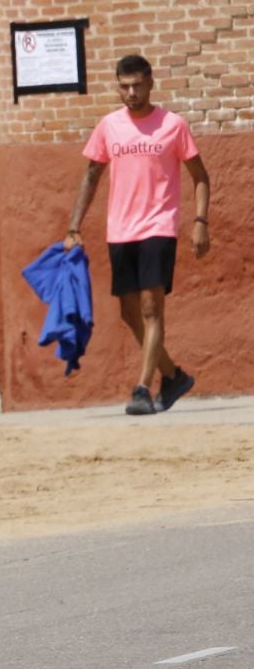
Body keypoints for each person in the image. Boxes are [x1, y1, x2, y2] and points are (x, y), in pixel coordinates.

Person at [64, 54, 213, 416]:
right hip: (120, 230)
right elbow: (91, 176)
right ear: (118, 87)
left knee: (150, 308)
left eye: (137, 85)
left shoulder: (172, 125)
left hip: (159, 226)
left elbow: (201, 176)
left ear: (150, 83)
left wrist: (199, 221)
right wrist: (73, 227)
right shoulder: (109, 126)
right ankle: (173, 376)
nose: (131, 93)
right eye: (124, 87)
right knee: (130, 314)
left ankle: (143, 387)